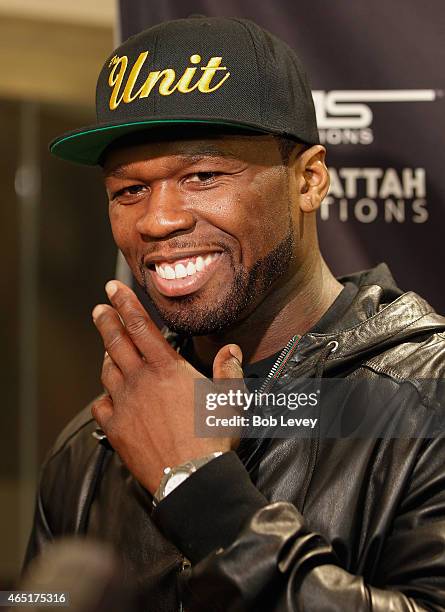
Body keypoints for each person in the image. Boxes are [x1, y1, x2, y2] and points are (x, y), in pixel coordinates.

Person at [24, 15, 445, 611]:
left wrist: (202, 496)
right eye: (129, 190)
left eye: (202, 176)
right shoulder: (92, 445)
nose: (158, 220)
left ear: (310, 180)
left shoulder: (425, 401)